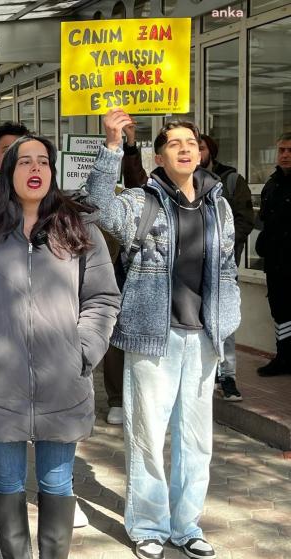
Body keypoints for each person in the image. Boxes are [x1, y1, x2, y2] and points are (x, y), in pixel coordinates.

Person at [0, 135, 120, 559]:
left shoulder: (79, 228)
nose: (35, 169)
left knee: (57, 485)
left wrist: (82, 350)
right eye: (25, 162)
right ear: (9, 173)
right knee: (5, 485)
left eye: (43, 161)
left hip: (63, 382)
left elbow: (103, 298)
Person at [87, 109, 240, 559]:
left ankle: (187, 524)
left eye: (190, 142)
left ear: (202, 151)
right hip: (154, 334)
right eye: (174, 143)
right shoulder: (142, 201)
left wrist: (227, 320)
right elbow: (96, 207)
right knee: (148, 436)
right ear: (159, 155)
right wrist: (112, 146)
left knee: (197, 440)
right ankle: (148, 524)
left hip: (204, 335)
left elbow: (227, 265)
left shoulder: (219, 203)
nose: (185, 149)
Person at [198, 134, 254, 400]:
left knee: (225, 319)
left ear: (211, 151)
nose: (194, 152)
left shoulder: (231, 180)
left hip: (222, 265)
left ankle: (228, 377)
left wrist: (226, 247)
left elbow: (245, 219)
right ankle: (205, 376)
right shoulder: (177, 181)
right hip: (190, 265)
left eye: (200, 147)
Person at [255, 133, 291, 377]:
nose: (285, 155)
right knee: (280, 312)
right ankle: (284, 357)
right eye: (282, 150)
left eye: (290, 150)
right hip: (277, 263)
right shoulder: (272, 184)